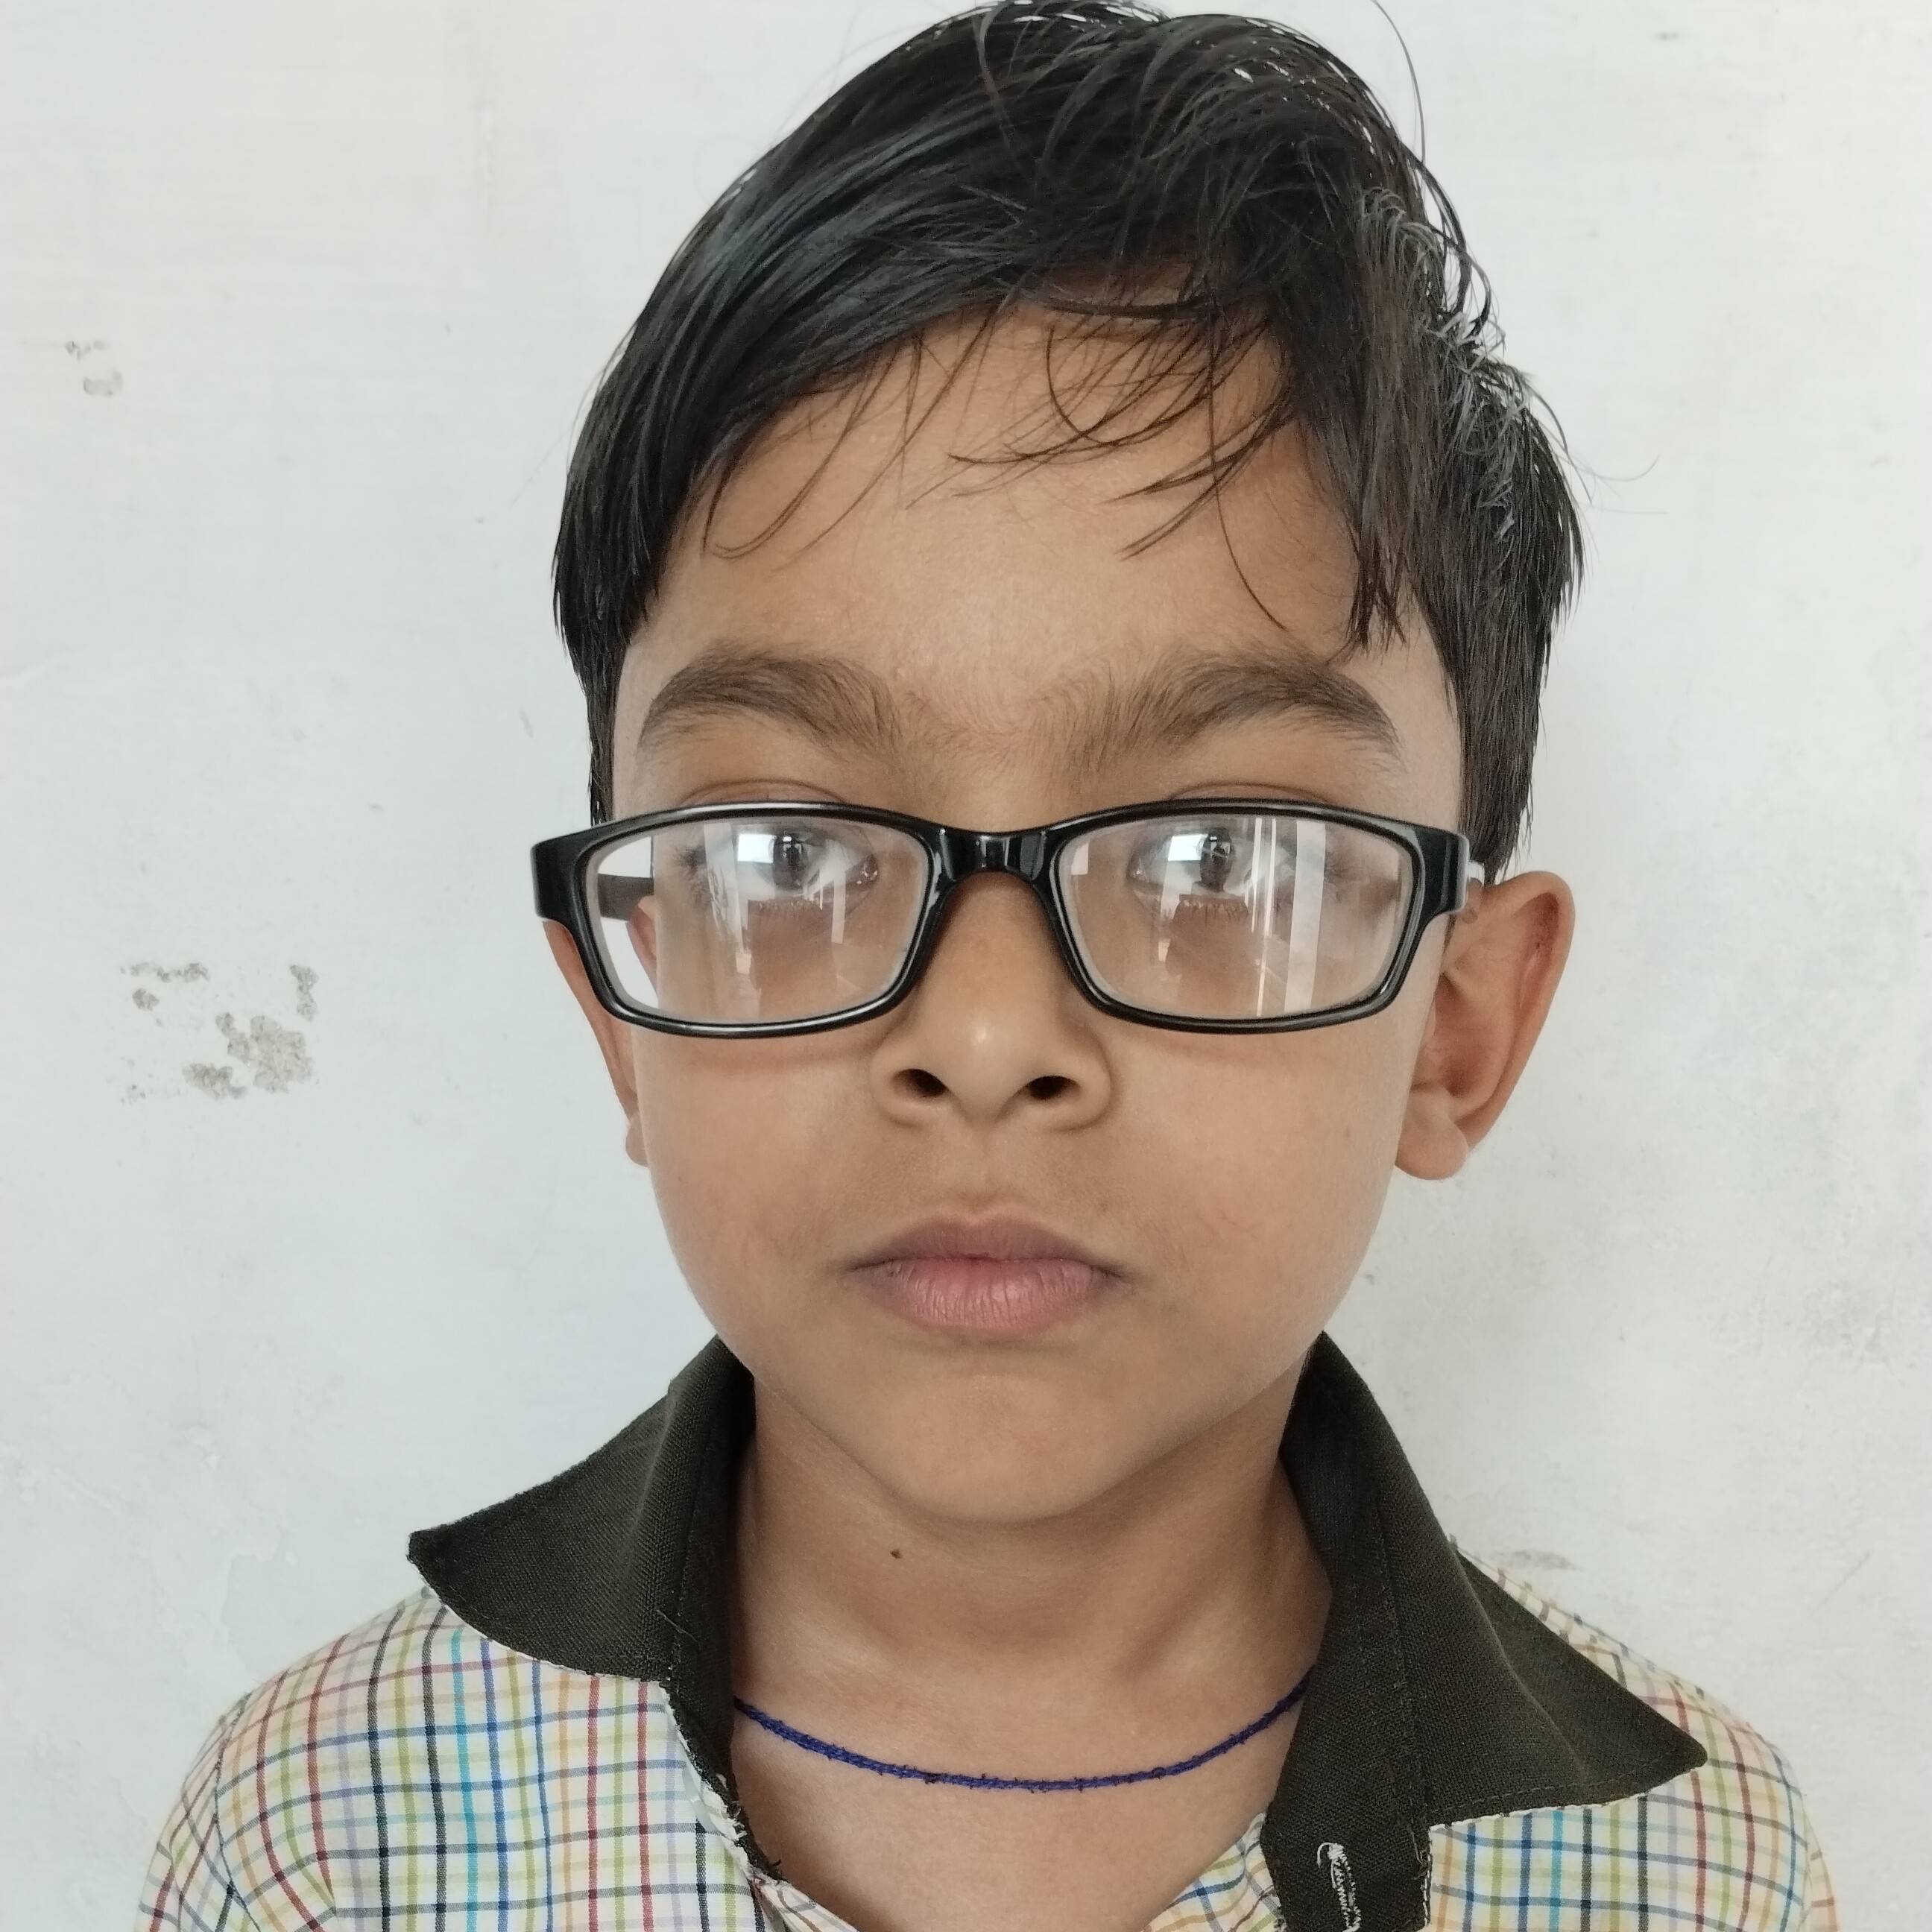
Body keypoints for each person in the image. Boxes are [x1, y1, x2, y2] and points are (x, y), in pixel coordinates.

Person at [135, 5, 1837, 1928]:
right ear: (620, 1012)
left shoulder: (1692, 1875)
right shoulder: (330, 1839)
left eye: (1218, 858)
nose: (990, 1034)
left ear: (1457, 1031)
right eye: (786, 852)